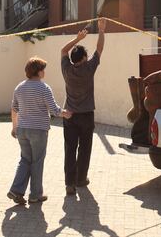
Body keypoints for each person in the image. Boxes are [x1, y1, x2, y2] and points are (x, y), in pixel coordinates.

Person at [8, 57, 71, 206]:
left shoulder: (20, 87)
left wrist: (14, 127)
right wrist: (66, 113)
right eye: (43, 69)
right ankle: (35, 195)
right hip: (38, 130)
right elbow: (54, 110)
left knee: (25, 160)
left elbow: (14, 108)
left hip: (22, 129)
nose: (45, 72)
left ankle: (16, 190)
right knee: (37, 162)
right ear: (39, 71)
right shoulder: (44, 88)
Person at [61, 18, 105, 195]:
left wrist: (78, 39)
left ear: (73, 59)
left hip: (69, 115)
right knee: (85, 148)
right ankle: (81, 179)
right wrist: (101, 30)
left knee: (69, 149)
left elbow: (63, 50)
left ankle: (69, 183)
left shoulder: (66, 69)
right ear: (84, 58)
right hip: (86, 115)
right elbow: (99, 49)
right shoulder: (89, 68)